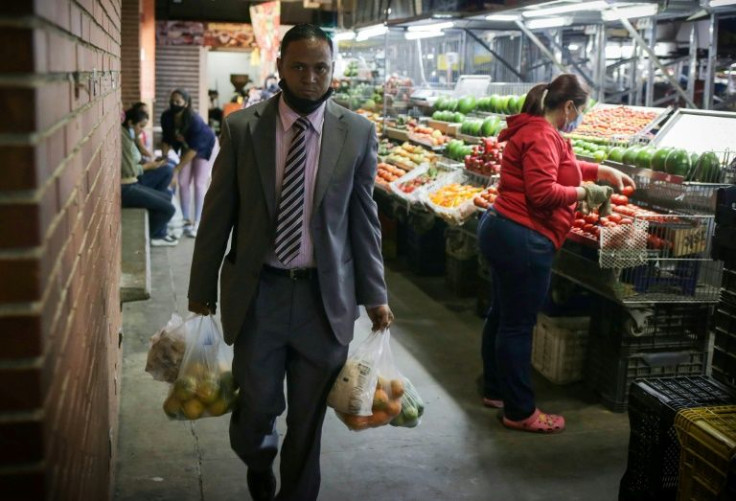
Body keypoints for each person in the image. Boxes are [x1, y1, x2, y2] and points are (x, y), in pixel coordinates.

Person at [187, 24, 394, 501]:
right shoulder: (243, 127)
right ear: (279, 66)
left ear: (332, 70)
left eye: (320, 67)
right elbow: (217, 215)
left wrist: (376, 294)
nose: (309, 77)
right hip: (261, 293)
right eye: (298, 66)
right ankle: (258, 462)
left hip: (326, 300)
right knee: (256, 407)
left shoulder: (357, 132)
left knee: (308, 418)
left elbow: (365, 222)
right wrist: (201, 291)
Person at [477, 74, 635, 434]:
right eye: (580, 110)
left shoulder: (537, 131)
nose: (579, 116)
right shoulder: (541, 135)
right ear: (568, 107)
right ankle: (520, 411)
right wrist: (586, 193)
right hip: (523, 237)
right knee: (517, 326)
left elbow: (558, 168)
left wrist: (599, 170)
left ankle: (496, 390)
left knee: (502, 315)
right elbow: (544, 193)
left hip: (504, 228)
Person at [160, 88, 217, 238]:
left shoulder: (194, 120)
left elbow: (193, 150)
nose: (174, 104)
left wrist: (176, 168)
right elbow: (166, 139)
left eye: (178, 102)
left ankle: (198, 222)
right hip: (188, 147)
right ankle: (185, 220)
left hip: (204, 146)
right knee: (183, 182)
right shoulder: (166, 117)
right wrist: (165, 158)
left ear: (185, 103)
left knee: (198, 183)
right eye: (172, 101)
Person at [120, 107, 177, 247]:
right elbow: (131, 170)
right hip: (126, 187)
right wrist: (149, 166)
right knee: (169, 209)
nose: (141, 130)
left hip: (131, 182)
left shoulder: (129, 137)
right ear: (130, 122)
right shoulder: (123, 137)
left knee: (167, 194)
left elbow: (135, 163)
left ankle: (157, 231)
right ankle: (147, 237)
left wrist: (150, 163)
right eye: (140, 126)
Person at [127, 102, 176, 195]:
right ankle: (157, 196)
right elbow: (140, 152)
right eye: (142, 111)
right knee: (168, 170)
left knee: (169, 168)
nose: (145, 114)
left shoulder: (133, 136)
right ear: (131, 122)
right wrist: (150, 163)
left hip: (141, 168)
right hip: (135, 180)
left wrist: (153, 162)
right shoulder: (129, 138)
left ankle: (159, 195)